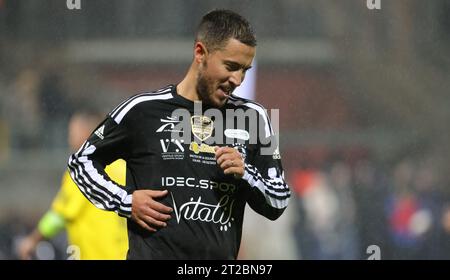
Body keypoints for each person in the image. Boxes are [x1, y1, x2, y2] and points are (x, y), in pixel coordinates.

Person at [68, 9, 290, 260]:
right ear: (200, 53)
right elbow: (81, 162)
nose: (237, 79)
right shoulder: (141, 110)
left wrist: (246, 174)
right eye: (231, 66)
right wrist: (126, 201)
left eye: (245, 70)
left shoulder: (254, 117)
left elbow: (279, 200)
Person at [19, 110, 128, 260]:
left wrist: (32, 240)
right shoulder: (122, 166)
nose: (69, 138)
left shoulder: (83, 169)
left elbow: (59, 216)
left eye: (73, 132)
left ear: (87, 133)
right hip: (124, 254)